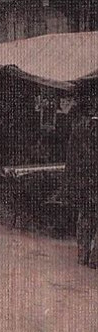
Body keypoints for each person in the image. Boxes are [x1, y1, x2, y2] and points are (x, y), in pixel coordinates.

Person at [64, 95, 98, 268]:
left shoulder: (78, 129)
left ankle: (82, 255)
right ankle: (94, 258)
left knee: (85, 217)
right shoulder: (79, 129)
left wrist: (70, 183)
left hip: (84, 182)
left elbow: (71, 160)